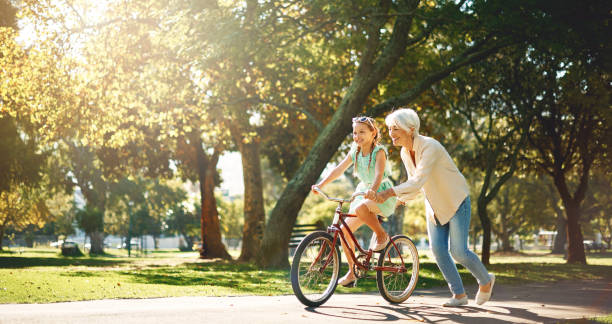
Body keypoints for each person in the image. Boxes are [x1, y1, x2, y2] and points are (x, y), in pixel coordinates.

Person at [375, 108, 495, 306]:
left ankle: (486, 281)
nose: (391, 133)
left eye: (395, 128)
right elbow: (415, 186)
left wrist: (388, 193)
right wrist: (394, 202)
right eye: (389, 129)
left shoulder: (430, 146)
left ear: (410, 128)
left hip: (455, 200)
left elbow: (417, 181)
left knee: (459, 252)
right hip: (435, 206)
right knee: (438, 250)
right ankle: (459, 295)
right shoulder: (406, 152)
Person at [312, 116, 397, 287]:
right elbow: (338, 169)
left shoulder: (379, 151)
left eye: (362, 132)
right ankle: (352, 272)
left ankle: (382, 236)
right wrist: (321, 184)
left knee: (360, 209)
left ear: (373, 133)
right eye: (355, 133)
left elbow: (379, 174)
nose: (357, 136)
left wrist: (372, 190)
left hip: (381, 192)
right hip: (364, 191)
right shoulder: (355, 151)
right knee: (343, 231)